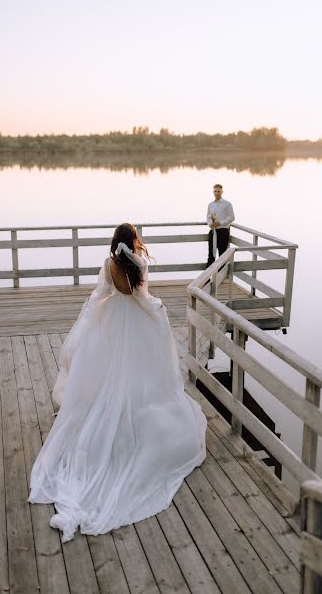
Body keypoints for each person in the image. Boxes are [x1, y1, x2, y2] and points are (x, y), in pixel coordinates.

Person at [28, 222, 207, 542]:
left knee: (109, 367)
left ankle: (109, 407)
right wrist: (158, 309)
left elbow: (102, 293)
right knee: (137, 368)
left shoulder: (109, 263)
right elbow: (141, 297)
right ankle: (135, 408)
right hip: (135, 320)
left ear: (115, 241)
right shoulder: (137, 263)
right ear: (133, 240)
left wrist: (89, 318)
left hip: (111, 318)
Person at [206, 184, 235, 267]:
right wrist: (210, 224)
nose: (217, 193)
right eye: (215, 191)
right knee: (211, 255)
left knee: (222, 255)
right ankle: (207, 279)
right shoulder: (210, 204)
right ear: (213, 192)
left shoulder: (227, 204)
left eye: (218, 191)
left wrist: (220, 223)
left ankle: (220, 278)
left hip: (223, 232)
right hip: (213, 232)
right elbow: (208, 217)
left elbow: (232, 218)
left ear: (222, 192)